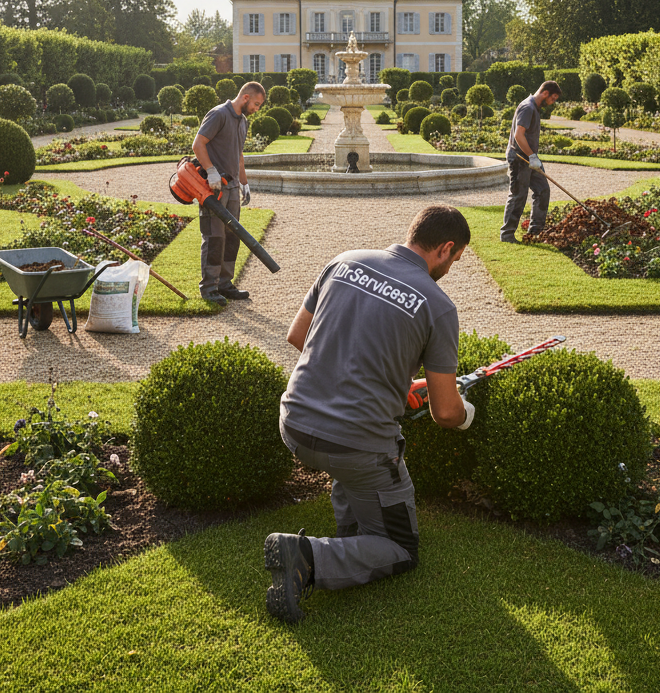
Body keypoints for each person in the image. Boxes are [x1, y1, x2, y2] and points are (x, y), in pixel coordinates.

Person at [263, 205, 474, 624]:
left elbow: (298, 337)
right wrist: (467, 411)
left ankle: (352, 532)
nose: (452, 267)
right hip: (356, 448)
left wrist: (390, 387)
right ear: (446, 249)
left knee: (353, 461)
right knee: (400, 548)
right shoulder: (437, 305)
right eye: (456, 259)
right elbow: (446, 413)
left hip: (295, 426)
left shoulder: (343, 262)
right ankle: (305, 556)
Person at [191, 81, 266, 305]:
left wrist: (244, 183)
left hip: (232, 188)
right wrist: (211, 171)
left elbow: (239, 154)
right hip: (213, 188)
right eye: (256, 104)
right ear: (245, 98)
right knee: (214, 237)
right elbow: (198, 144)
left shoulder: (242, 121)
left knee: (232, 237)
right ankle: (209, 287)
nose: (256, 109)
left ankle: (225, 284)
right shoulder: (218, 115)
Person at [501, 80, 563, 242]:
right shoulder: (528, 107)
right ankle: (507, 234)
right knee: (518, 195)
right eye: (553, 98)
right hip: (520, 158)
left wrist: (533, 158)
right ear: (545, 93)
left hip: (529, 158)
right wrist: (532, 156)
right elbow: (518, 135)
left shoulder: (534, 107)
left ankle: (535, 232)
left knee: (542, 190)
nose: (552, 102)